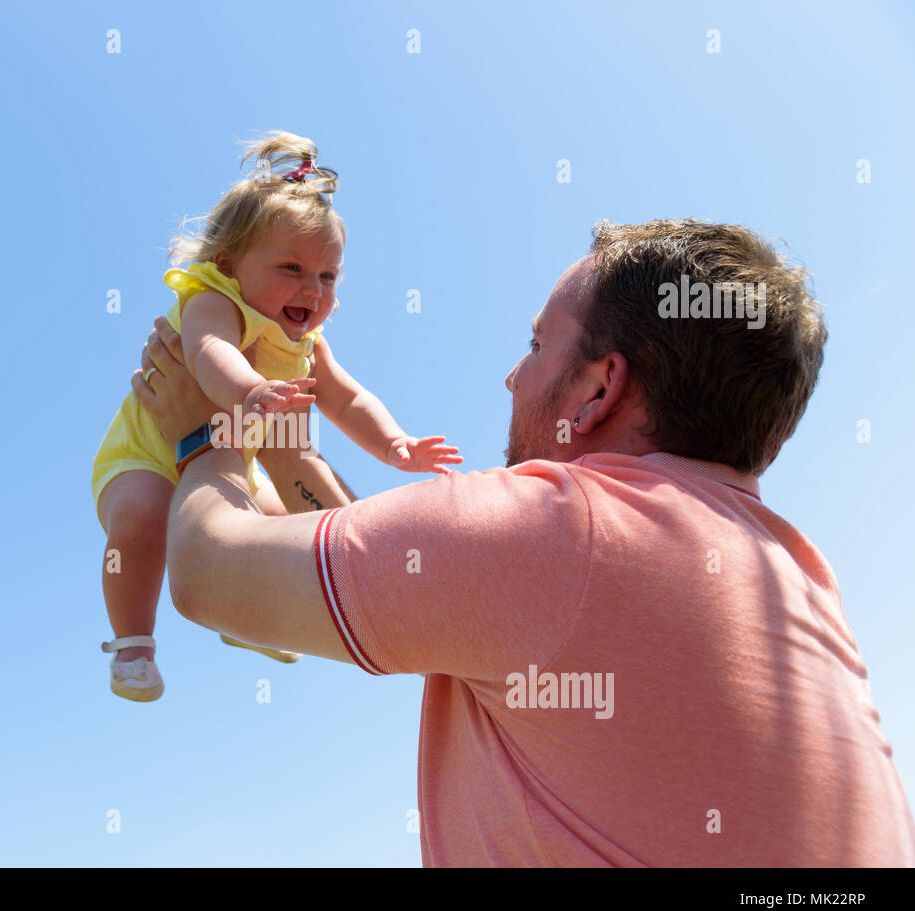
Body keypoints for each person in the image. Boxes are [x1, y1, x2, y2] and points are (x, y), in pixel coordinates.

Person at [134, 218, 915, 867]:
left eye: (538, 345)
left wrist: (203, 428)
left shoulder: (559, 529)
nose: (512, 376)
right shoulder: (800, 578)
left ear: (599, 388)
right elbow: (393, 571)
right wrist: (275, 425)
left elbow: (208, 570)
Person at [92, 131, 458, 703]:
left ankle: (247, 617)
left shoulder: (308, 343)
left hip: (228, 463)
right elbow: (210, 352)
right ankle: (132, 643)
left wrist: (395, 445)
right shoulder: (214, 299)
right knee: (140, 521)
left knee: (275, 534)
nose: (312, 289)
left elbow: (348, 399)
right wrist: (253, 389)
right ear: (227, 263)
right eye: (291, 267)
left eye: (328, 276)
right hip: (145, 456)